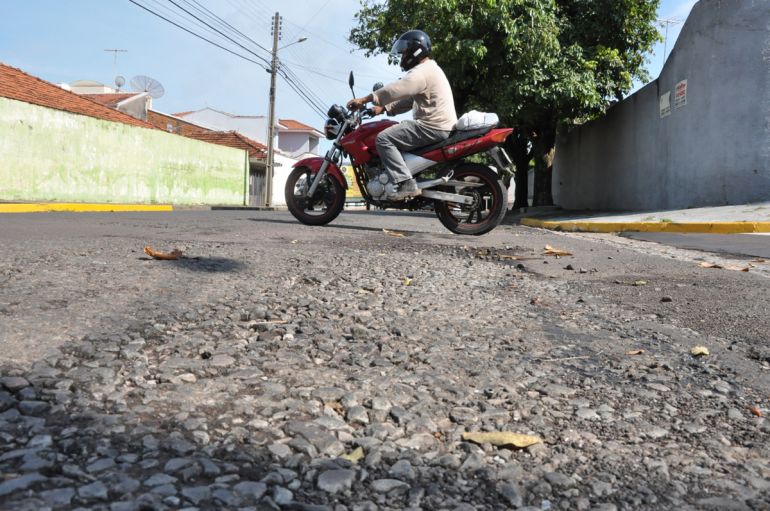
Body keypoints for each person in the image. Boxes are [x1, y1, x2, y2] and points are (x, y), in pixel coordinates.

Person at [347, 30, 457, 200]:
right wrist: (383, 109)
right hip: (439, 125)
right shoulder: (430, 69)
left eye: (404, 52)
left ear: (415, 50)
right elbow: (410, 99)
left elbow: (397, 89)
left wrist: (365, 99)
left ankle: (406, 183)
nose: (402, 56)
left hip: (432, 126)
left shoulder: (421, 72)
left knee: (383, 139)